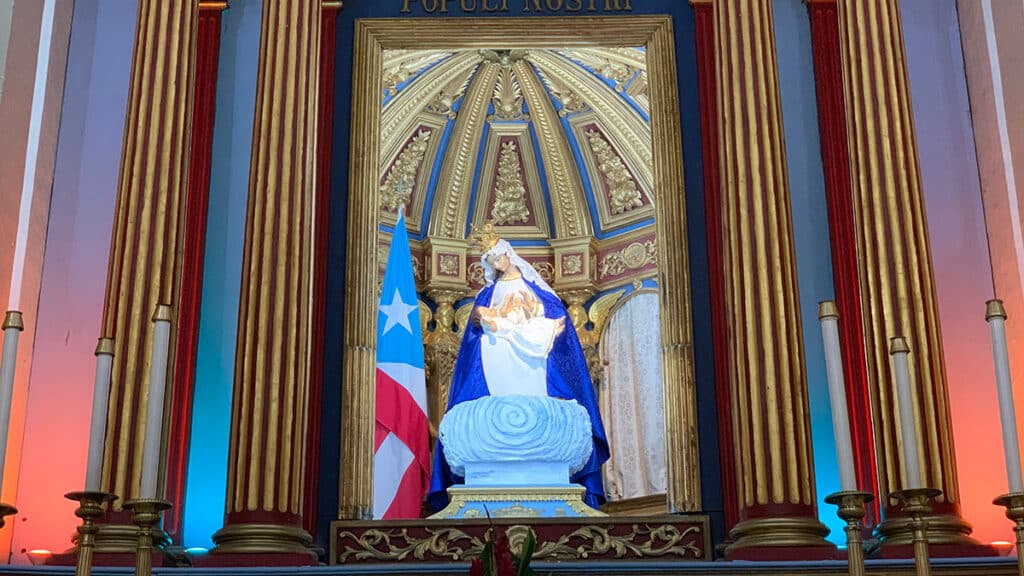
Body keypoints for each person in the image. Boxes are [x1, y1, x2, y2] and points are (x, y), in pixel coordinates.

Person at [427, 225, 610, 511]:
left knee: (537, 337)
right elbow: (475, 341)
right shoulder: (487, 295)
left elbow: (552, 322)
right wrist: (489, 322)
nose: (497, 263)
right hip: (498, 348)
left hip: (535, 354)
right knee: (493, 346)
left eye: (499, 257)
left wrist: (529, 325)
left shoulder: (536, 290)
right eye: (490, 261)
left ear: (508, 254)